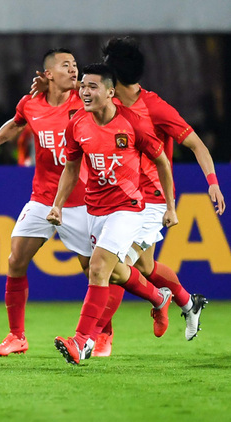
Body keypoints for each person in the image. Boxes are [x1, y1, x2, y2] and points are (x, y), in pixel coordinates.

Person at [87, 37, 225, 357]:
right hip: (124, 196)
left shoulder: (154, 107)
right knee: (146, 268)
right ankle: (188, 302)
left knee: (117, 264)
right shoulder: (109, 104)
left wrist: (213, 183)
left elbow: (197, 145)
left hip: (151, 201)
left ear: (115, 76)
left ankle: (94, 337)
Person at [0, 48, 97, 356]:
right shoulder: (31, 103)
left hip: (82, 201)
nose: (73, 70)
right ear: (48, 74)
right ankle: (16, 336)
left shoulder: (85, 101)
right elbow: (14, 124)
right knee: (15, 261)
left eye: (75, 65)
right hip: (43, 198)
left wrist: (83, 86)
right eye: (66, 66)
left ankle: (101, 333)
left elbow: (107, 94)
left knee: (95, 271)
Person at [47, 63, 178, 365]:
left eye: (93, 87)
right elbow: (71, 167)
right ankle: (159, 297)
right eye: (82, 86)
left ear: (109, 91)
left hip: (129, 208)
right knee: (117, 273)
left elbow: (162, 162)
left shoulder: (133, 123)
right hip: (96, 208)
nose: (85, 92)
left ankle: (81, 341)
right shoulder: (77, 123)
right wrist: (57, 203)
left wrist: (170, 206)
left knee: (98, 267)